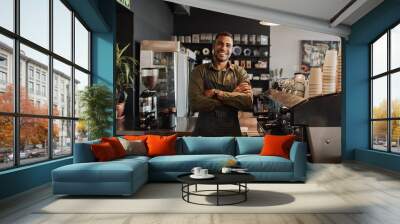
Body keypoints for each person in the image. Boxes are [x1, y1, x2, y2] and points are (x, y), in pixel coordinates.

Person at [189, 32, 253, 136]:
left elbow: (247, 103)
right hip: (204, 135)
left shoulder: (240, 72)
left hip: (231, 135)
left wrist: (216, 93)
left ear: (232, 50)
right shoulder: (199, 71)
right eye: (220, 43)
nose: (223, 48)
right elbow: (195, 103)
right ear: (213, 46)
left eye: (228, 45)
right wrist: (233, 95)